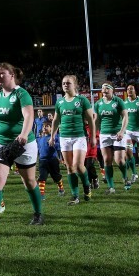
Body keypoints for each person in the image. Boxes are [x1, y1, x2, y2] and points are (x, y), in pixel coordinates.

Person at [0, 62, 41, 235]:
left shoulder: (22, 94)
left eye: (2, 73)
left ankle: (38, 213)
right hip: (1, 142)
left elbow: (29, 115)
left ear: (12, 75)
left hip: (23, 143)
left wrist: (24, 135)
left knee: (29, 181)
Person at [50, 74, 96, 204]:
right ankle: (75, 196)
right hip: (64, 137)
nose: (65, 85)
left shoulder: (82, 100)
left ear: (75, 85)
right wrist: (53, 136)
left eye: (68, 83)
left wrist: (92, 137)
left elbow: (91, 120)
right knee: (70, 168)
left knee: (78, 166)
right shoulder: (59, 102)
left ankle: (86, 186)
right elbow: (56, 120)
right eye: (63, 83)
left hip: (79, 137)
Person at [94, 82, 128, 195]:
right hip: (104, 134)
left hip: (117, 134)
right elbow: (97, 120)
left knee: (119, 160)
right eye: (102, 89)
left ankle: (125, 176)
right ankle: (111, 187)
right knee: (107, 160)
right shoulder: (98, 104)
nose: (104, 90)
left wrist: (122, 131)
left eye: (106, 88)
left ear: (112, 90)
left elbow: (125, 117)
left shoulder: (118, 101)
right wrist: (95, 134)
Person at [36, 120, 65, 200]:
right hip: (42, 161)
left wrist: (54, 144)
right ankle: (41, 195)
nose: (44, 128)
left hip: (52, 160)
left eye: (47, 126)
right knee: (42, 177)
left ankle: (61, 188)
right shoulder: (40, 138)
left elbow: (59, 148)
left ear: (51, 128)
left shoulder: (55, 138)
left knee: (56, 177)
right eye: (43, 126)